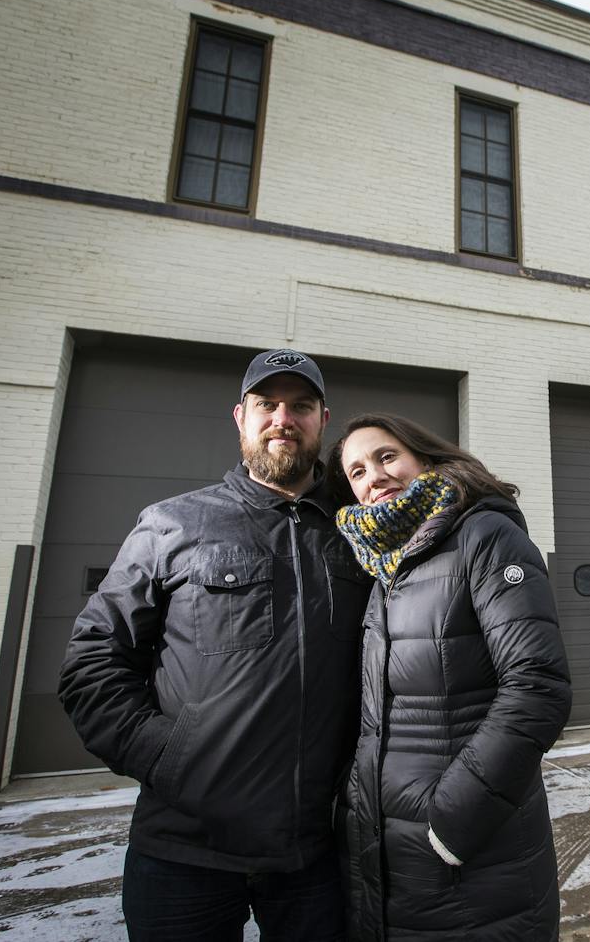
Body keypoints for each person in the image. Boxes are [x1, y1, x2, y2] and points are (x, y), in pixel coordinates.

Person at [59, 348, 370, 942]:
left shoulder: (360, 528)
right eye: (267, 404)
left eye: (300, 406)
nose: (283, 418)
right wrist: (167, 758)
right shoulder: (172, 524)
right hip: (184, 850)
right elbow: (93, 661)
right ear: (240, 417)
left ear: (323, 420)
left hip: (319, 852)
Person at [328, 413, 572, 941]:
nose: (374, 477)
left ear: (426, 458)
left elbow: (537, 685)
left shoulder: (484, 536)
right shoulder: (382, 567)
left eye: (387, 457)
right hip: (387, 849)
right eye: (356, 472)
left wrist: (453, 822)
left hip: (470, 849)